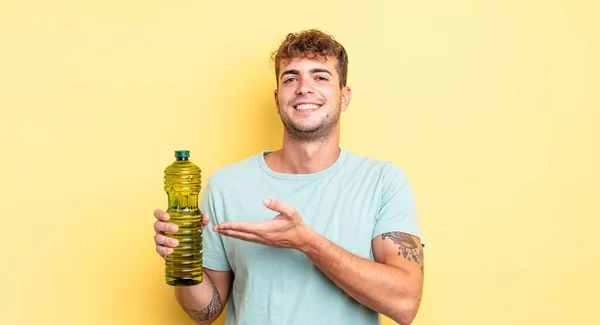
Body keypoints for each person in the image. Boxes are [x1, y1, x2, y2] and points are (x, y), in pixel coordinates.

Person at [153, 29, 425, 325]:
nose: (304, 88)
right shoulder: (225, 186)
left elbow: (405, 303)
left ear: (344, 97)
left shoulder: (382, 182)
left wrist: (305, 242)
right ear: (277, 97)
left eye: (320, 77)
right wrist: (182, 262)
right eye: (291, 78)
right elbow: (205, 312)